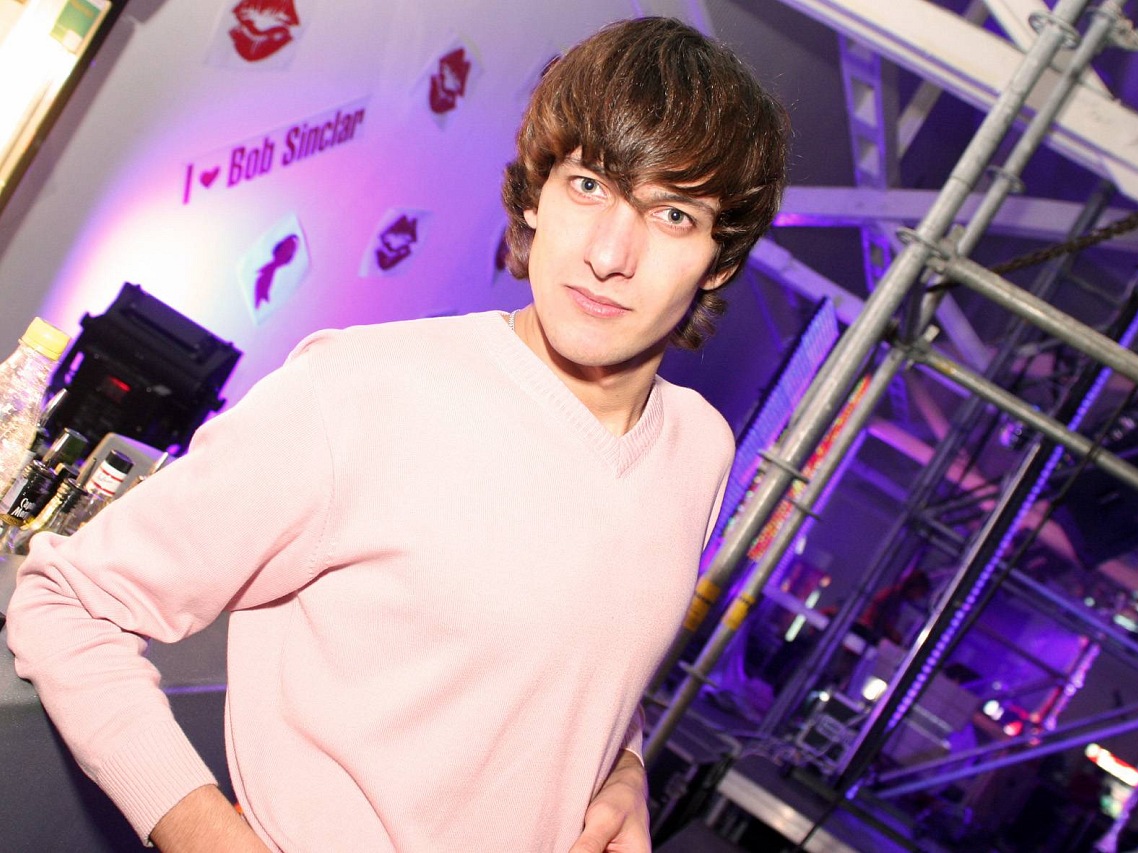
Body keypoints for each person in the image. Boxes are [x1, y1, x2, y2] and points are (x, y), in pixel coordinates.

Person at [6, 16, 789, 853]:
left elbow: (578, 667)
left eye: (672, 214)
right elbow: (65, 602)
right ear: (536, 194)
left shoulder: (699, 448)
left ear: (720, 260)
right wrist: (204, 833)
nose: (609, 252)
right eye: (589, 185)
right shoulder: (361, 391)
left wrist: (622, 766)